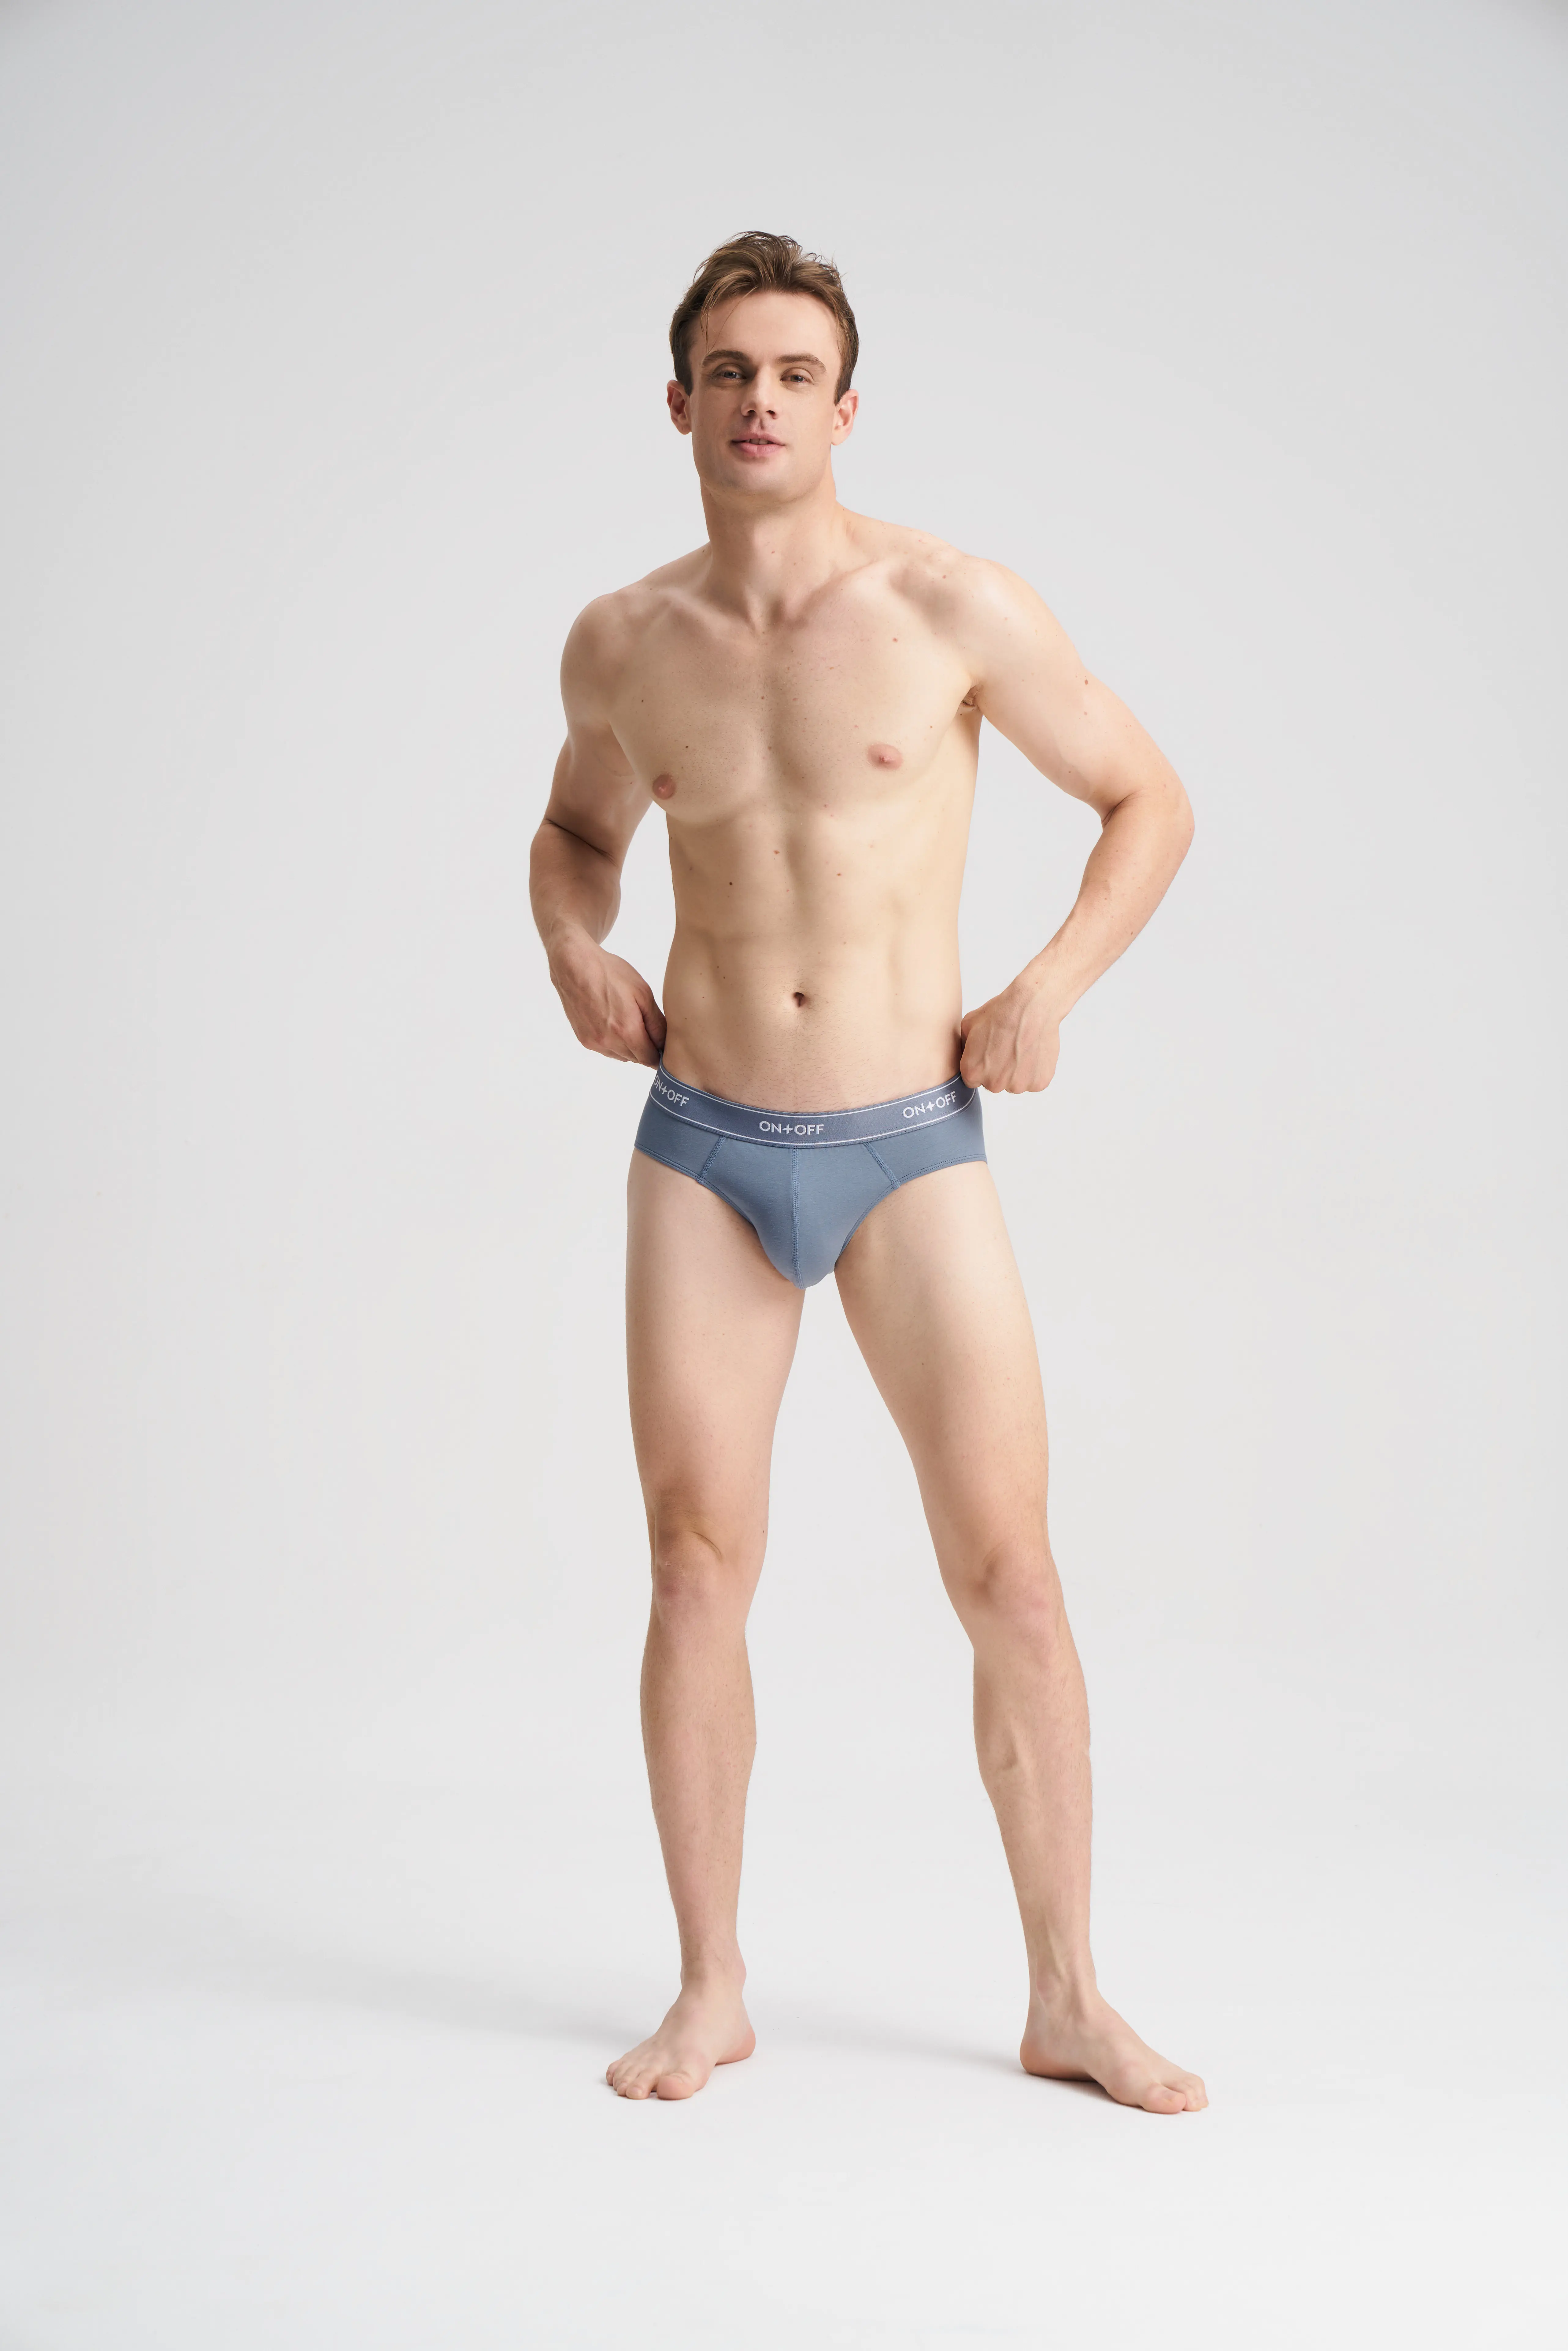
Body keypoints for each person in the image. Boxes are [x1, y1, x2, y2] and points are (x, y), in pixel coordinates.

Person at [530, 231, 1206, 2113]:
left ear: (844, 407)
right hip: (706, 1142)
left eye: (793, 373)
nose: (759, 400)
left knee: (1011, 1576)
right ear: (679, 405)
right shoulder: (622, 640)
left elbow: (1147, 796)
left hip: (909, 1142)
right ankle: (710, 1986)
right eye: (727, 372)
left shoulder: (948, 603)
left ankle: (1067, 1994)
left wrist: (1045, 987)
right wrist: (569, 941)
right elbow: (575, 831)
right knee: (693, 1568)